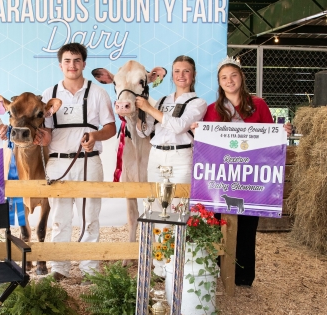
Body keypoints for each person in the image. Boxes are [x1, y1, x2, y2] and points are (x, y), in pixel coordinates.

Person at [200, 56, 291, 286]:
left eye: (233, 75)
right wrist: (197, 130)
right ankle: (218, 271)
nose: (229, 81)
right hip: (223, 178)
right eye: (224, 78)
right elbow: (207, 144)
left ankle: (243, 276)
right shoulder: (212, 110)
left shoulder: (258, 105)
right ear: (219, 83)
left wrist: (282, 131)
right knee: (219, 223)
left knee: (248, 226)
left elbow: (271, 136)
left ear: (241, 77)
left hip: (251, 177)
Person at [35, 43, 116, 283]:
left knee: (90, 215)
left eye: (77, 60)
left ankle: (89, 269)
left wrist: (95, 136)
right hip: (58, 163)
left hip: (89, 161)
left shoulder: (98, 93)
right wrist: (40, 137)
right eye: (68, 61)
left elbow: (110, 128)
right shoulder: (48, 94)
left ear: (84, 63)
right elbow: (48, 134)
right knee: (60, 217)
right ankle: (60, 268)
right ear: (60, 65)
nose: (72, 65)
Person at [134, 55, 207, 184]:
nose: (181, 75)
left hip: (181, 157)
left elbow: (179, 126)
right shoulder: (162, 101)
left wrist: (149, 108)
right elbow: (144, 132)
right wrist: (140, 112)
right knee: (154, 201)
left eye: (186, 71)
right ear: (172, 75)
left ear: (194, 74)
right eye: (177, 71)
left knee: (179, 203)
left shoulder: (198, 103)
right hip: (156, 155)